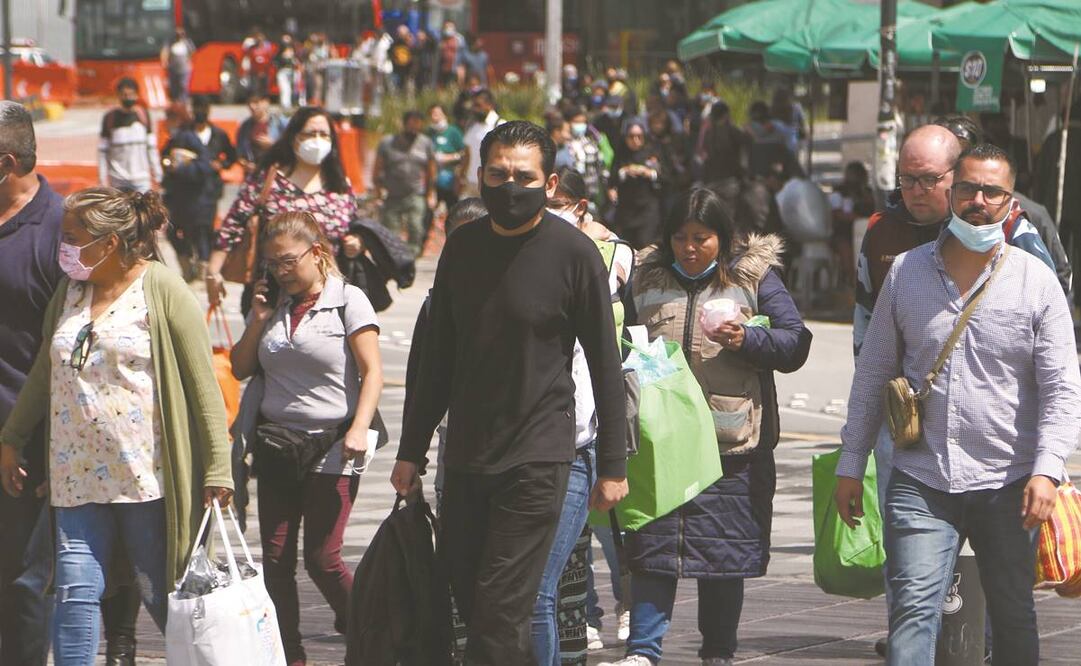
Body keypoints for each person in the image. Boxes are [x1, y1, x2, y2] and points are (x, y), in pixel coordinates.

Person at [391, 121, 629, 663]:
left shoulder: (575, 255)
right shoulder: (462, 249)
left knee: (502, 608)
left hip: (539, 458)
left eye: (523, 176)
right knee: (475, 603)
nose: (509, 186)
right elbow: (437, 360)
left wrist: (613, 464)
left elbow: (605, 364)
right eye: (498, 174)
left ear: (549, 185)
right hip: (469, 457)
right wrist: (412, 449)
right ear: (479, 176)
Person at [836, 143, 1081, 666]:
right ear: (952, 192)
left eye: (992, 191)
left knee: (1013, 612)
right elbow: (874, 372)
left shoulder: (1035, 281)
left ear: (1010, 202)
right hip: (923, 479)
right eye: (968, 187)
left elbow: (1063, 386)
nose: (978, 200)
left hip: (1010, 481)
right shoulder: (906, 272)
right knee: (913, 611)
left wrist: (1048, 468)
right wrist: (851, 464)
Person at [0, 187, 234, 665]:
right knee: (75, 596)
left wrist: (218, 468)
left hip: (145, 481)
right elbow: (46, 368)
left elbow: (203, 387)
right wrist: (13, 437)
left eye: (73, 238)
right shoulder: (70, 292)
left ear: (108, 243)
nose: (64, 248)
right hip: (75, 479)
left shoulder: (162, 289)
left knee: (165, 596)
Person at [601, 188, 811, 666]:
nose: (690, 248)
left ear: (724, 237)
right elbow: (615, 331)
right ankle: (643, 651)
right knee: (652, 548)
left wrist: (749, 339)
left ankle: (718, 652)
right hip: (661, 440)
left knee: (722, 555)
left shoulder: (754, 276)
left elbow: (795, 342)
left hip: (730, 444)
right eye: (680, 237)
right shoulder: (645, 274)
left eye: (702, 238)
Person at [230, 211, 382, 666]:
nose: (281, 272)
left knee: (322, 558)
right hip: (277, 446)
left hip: (332, 446)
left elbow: (373, 371)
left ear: (316, 253)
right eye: (272, 264)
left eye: (288, 261)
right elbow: (240, 367)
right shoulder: (272, 303)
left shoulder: (348, 300)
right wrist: (257, 318)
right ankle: (290, 656)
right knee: (274, 562)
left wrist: (359, 427)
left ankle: (372, 633)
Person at [530, 168, 635, 664]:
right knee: (534, 586)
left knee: (541, 587)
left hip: (577, 444)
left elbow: (607, 369)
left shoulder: (601, 259)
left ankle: (622, 605)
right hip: (520, 448)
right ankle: (586, 619)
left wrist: (612, 463)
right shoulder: (515, 264)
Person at [0, 99, 63, 666]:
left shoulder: (60, 229)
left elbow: (67, 352)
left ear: (8, 162)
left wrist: (30, 440)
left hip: (23, 448)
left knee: (21, 581)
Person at [206, 106, 359, 315]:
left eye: (324, 134)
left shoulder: (340, 186)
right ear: (294, 138)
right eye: (310, 133)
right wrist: (213, 272)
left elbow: (353, 227)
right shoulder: (268, 180)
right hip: (271, 296)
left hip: (328, 299)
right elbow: (233, 224)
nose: (317, 140)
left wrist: (356, 243)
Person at [402, 197, 488, 513]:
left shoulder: (522, 290)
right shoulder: (436, 303)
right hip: (457, 441)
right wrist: (411, 453)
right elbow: (421, 380)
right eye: (457, 242)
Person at [161, 96, 237, 282]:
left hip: (208, 192)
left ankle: (203, 270)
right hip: (183, 193)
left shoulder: (218, 134)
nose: (200, 113)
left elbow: (231, 156)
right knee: (177, 230)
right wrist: (172, 166)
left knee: (204, 230)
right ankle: (187, 265)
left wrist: (221, 164)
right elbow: (166, 157)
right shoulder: (182, 135)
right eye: (196, 109)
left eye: (203, 108)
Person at [373, 110, 437, 256]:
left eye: (417, 125)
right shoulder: (388, 143)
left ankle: (412, 259)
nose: (414, 128)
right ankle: (395, 259)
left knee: (416, 228)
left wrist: (430, 193)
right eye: (411, 124)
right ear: (404, 124)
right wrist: (378, 191)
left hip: (416, 194)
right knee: (391, 232)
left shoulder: (426, 143)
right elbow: (377, 169)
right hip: (392, 195)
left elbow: (431, 171)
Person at [609, 121, 666, 249]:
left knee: (645, 244)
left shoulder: (653, 151)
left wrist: (648, 173)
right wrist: (625, 171)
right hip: (626, 209)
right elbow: (612, 178)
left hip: (648, 209)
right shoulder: (621, 153)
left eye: (639, 136)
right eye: (631, 137)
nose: (635, 140)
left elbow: (666, 177)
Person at [98, 78, 162, 193]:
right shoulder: (110, 118)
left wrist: (158, 175)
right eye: (124, 95)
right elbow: (102, 152)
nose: (128, 98)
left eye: (131, 94)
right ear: (118, 96)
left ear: (137, 95)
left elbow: (152, 148)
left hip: (142, 180)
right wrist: (102, 179)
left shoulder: (143, 116)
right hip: (118, 181)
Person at [829, 161, 875, 288]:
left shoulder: (866, 192)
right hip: (842, 233)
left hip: (864, 231)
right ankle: (852, 281)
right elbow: (837, 213)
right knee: (846, 250)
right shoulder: (839, 193)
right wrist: (858, 219)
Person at [564, 107, 611, 210]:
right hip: (568, 198)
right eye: (576, 122)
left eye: (583, 122)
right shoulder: (564, 145)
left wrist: (609, 187)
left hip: (590, 197)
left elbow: (602, 166)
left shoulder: (591, 144)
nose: (580, 125)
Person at [461, 89, 504, 197]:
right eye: (474, 105)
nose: (475, 109)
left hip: (490, 184)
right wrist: (461, 177)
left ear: (489, 105)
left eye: (478, 105)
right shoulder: (472, 126)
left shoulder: (500, 125)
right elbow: (467, 154)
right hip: (471, 183)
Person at [236, 91, 288, 175]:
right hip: (254, 175)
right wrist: (246, 164)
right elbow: (240, 153)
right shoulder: (245, 126)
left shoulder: (280, 122)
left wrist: (274, 145)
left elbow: (293, 146)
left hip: (277, 173)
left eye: (256, 102)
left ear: (266, 103)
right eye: (249, 103)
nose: (252, 106)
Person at [699, 101, 749, 186]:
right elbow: (747, 142)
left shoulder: (708, 133)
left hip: (710, 179)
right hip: (731, 178)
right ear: (726, 115)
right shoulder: (733, 130)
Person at [428, 104, 466, 212]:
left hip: (451, 178)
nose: (434, 117)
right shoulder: (429, 132)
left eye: (437, 114)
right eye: (432, 114)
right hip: (434, 179)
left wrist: (451, 157)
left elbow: (464, 152)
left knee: (453, 210)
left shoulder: (454, 132)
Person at [160, 28, 195, 103]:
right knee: (174, 86)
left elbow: (192, 52)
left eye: (181, 34)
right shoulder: (170, 43)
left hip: (185, 69)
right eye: (178, 35)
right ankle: (175, 101)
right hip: (173, 68)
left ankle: (183, 100)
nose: (180, 36)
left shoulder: (187, 43)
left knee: (183, 85)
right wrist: (164, 61)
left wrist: (188, 60)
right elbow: (164, 51)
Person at [244, 30, 275, 97]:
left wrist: (265, 71)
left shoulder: (267, 50)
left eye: (260, 40)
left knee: (264, 89)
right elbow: (248, 59)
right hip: (254, 72)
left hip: (264, 72)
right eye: (257, 40)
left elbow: (270, 60)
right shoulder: (252, 49)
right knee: (254, 88)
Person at [276, 34, 300, 111]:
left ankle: (291, 103)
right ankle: (285, 104)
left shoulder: (293, 52)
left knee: (291, 89)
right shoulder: (279, 53)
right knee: (284, 88)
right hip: (283, 72)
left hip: (291, 72)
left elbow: (297, 61)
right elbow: (275, 61)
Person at [438, 21, 463, 89]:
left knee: (454, 88)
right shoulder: (440, 38)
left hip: (455, 69)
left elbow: (463, 54)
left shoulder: (459, 39)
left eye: (450, 26)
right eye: (446, 27)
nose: (448, 28)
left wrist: (461, 67)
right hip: (443, 69)